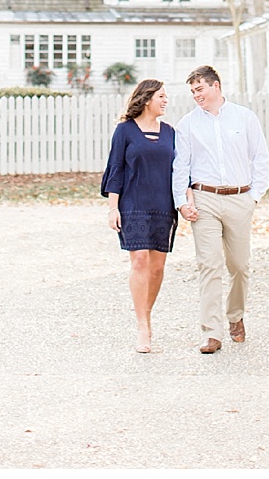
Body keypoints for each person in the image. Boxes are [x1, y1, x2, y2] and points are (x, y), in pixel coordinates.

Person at [171, 65, 269, 354]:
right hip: (205, 200)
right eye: (192, 91)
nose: (196, 95)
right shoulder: (188, 124)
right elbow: (182, 167)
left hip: (241, 198)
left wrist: (254, 196)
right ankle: (212, 332)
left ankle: (235, 316)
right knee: (210, 265)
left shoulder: (245, 117)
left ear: (216, 86)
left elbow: (260, 158)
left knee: (239, 265)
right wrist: (182, 202)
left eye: (199, 89)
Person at [100, 78, 178, 353]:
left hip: (163, 206)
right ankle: (142, 325)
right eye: (162, 96)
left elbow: (179, 172)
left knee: (157, 267)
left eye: (166, 96)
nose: (166, 100)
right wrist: (113, 207)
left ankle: (147, 313)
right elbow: (115, 168)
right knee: (140, 261)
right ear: (146, 99)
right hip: (133, 205)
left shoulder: (170, 132)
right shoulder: (125, 131)